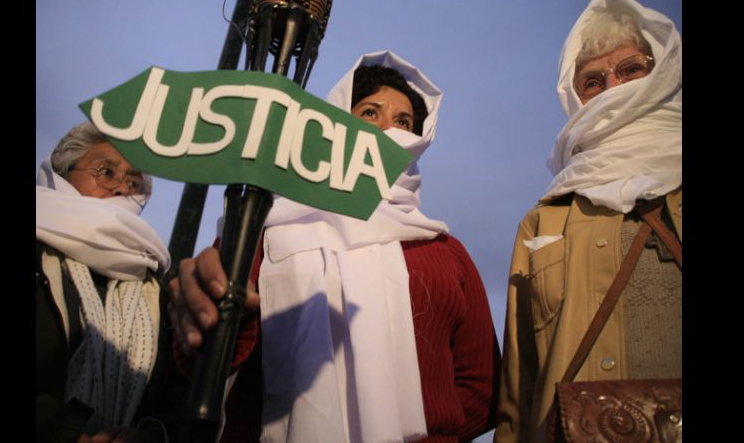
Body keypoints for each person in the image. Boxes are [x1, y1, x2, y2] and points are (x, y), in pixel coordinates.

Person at [169, 50, 502, 442]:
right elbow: (203, 361)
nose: (386, 129)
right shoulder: (266, 227)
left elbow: (481, 388)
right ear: (338, 121)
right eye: (369, 113)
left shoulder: (445, 251)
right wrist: (218, 321)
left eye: (403, 121)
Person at [494, 0, 681, 442]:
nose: (613, 90)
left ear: (665, 76)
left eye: (632, 70)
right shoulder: (543, 223)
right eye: (594, 82)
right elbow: (517, 392)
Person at [36, 122, 182, 443]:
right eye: (106, 172)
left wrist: (152, 435)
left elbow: (175, 396)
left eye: (134, 182)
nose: (120, 189)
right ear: (62, 172)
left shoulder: (155, 285)